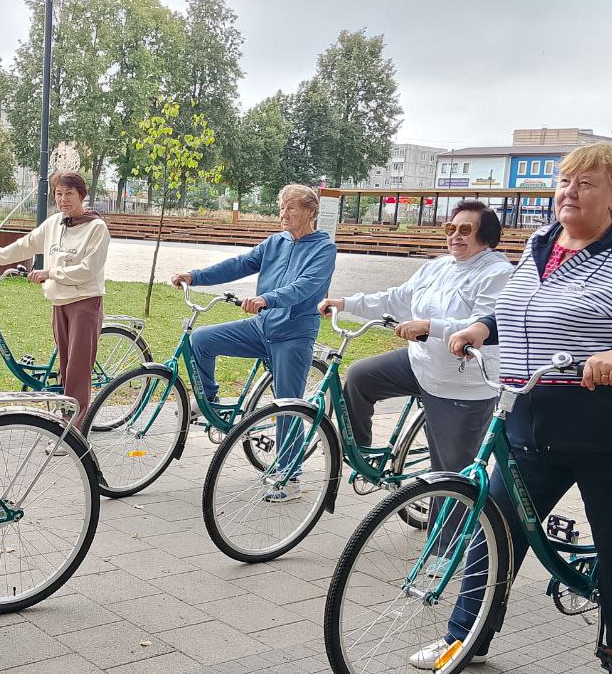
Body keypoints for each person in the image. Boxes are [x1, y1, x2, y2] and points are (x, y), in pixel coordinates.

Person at [421, 142, 612, 674]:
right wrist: (481, 327)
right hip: (531, 419)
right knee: (494, 530)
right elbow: (526, 311)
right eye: (564, 181)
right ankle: (463, 639)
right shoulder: (541, 245)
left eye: (586, 184)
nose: (569, 192)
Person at [318, 201, 513, 491]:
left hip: (460, 382)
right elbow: (396, 298)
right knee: (360, 377)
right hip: (422, 363)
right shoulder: (438, 266)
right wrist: (345, 303)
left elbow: (482, 323)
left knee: (448, 479)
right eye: (450, 228)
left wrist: (429, 326)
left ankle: (447, 536)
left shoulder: (498, 273)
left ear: (486, 236)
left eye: (465, 229)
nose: (454, 235)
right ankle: (362, 454)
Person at [171, 183, 336, 501]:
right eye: (281, 207)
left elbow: (305, 287)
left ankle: (290, 478)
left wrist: (266, 298)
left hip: (293, 334)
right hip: (261, 327)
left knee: (288, 405)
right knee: (202, 339)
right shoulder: (276, 242)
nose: (283, 213)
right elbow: (239, 264)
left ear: (310, 212)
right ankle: (210, 402)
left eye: (291, 207)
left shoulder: (323, 248)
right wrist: (196, 276)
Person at [0, 171, 110, 429]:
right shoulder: (55, 222)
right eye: (59, 194)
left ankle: (72, 431)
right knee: (65, 366)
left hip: (84, 302)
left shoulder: (96, 228)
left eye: (69, 193)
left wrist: (50, 273)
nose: (63, 199)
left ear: (82, 195)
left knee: (77, 372)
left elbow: (88, 270)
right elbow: (26, 245)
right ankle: (66, 417)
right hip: (59, 302)